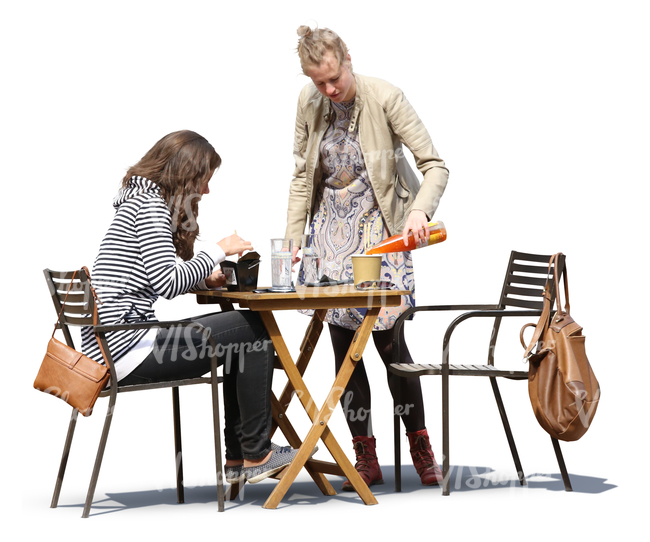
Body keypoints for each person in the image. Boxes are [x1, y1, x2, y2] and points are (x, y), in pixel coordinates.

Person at [81, 130, 298, 484]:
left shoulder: (138, 200)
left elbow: (152, 276)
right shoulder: (148, 206)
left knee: (240, 335)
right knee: (253, 331)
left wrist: (201, 280)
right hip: (127, 349)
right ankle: (255, 453)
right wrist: (217, 250)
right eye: (204, 180)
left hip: (114, 344)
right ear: (186, 173)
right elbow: (167, 283)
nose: (207, 190)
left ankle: (239, 457)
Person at [285, 26, 449, 489]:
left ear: (348, 59)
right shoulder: (307, 102)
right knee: (344, 352)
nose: (330, 90)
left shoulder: (386, 97)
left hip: (379, 232)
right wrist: (294, 235)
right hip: (330, 237)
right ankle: (365, 457)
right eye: (320, 82)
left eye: (334, 78)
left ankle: (420, 447)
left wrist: (419, 210)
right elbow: (301, 176)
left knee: (390, 344)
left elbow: (435, 164)